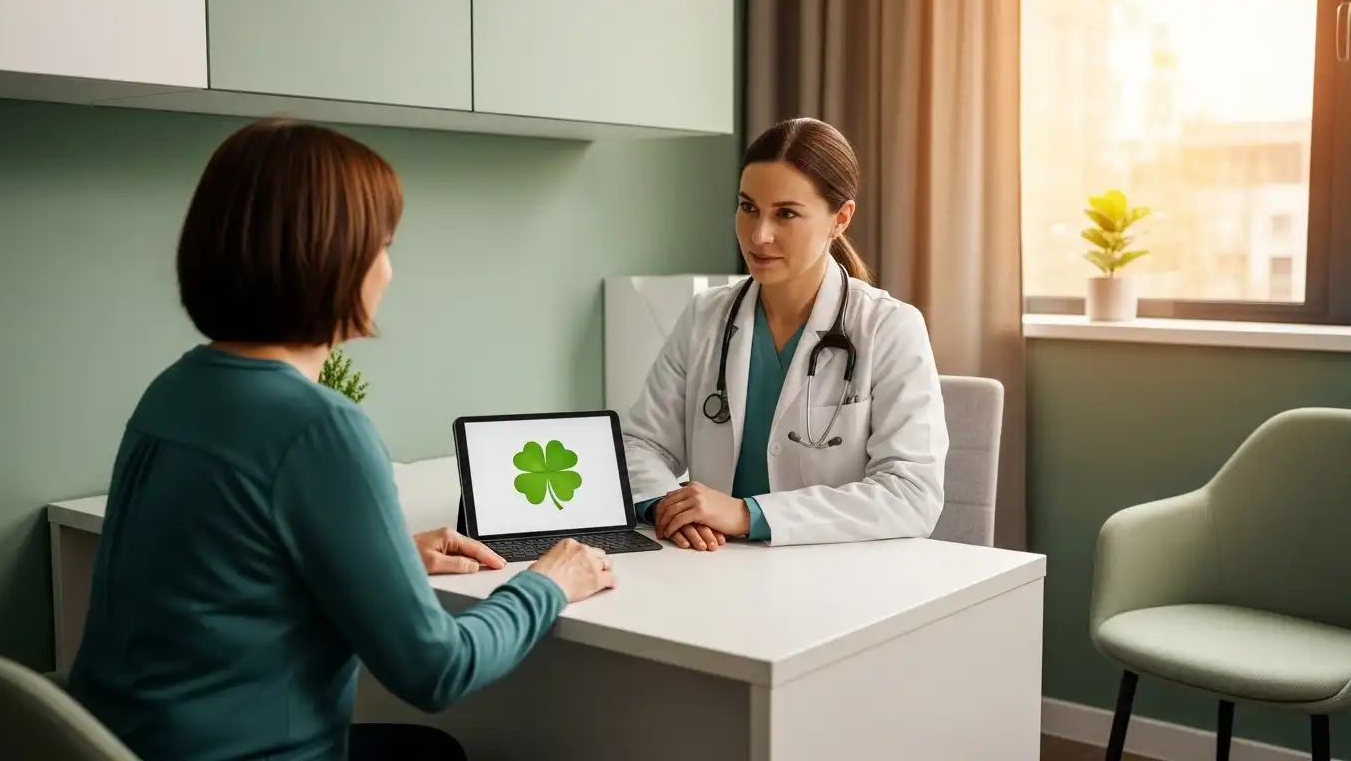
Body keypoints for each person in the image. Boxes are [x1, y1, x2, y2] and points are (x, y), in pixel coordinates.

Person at [64, 119, 617, 761]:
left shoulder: (176, 389)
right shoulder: (318, 425)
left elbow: (227, 582)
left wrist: (386, 558)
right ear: (330, 258)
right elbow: (436, 670)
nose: (388, 270)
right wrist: (549, 582)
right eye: (383, 246)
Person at [620, 117, 949, 550]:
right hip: (711, 566)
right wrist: (671, 507)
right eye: (748, 206)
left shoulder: (889, 328)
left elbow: (911, 494)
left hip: (836, 579)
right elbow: (639, 445)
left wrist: (746, 514)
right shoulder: (707, 315)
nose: (758, 234)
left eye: (786, 213)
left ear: (841, 218)